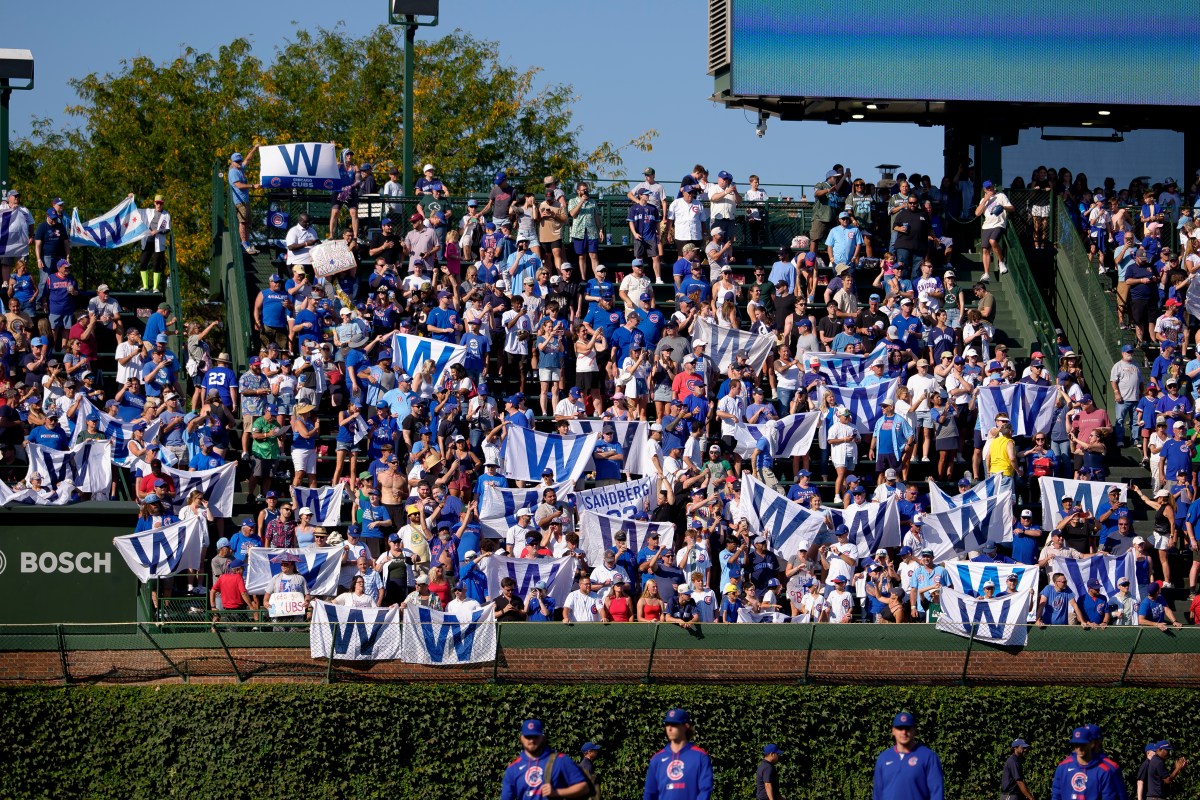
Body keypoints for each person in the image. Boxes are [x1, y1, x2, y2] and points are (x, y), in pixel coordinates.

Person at [499, 719, 591, 800]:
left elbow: (584, 787)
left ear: (542, 738)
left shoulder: (560, 760)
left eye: (535, 736)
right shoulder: (513, 768)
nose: (531, 740)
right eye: (528, 736)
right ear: (521, 738)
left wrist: (557, 792)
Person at [643, 708, 713, 800]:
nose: (669, 728)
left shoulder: (700, 756)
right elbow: (650, 793)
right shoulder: (657, 759)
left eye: (674, 724)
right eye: (667, 724)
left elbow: (705, 790)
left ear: (686, 726)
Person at [872, 711, 944, 800]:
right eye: (900, 728)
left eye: (907, 728)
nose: (904, 732)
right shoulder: (883, 758)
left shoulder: (928, 757)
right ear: (893, 731)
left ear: (914, 730)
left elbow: (936, 792)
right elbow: (877, 794)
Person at [1050, 726, 1127, 800]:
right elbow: (1056, 795)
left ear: (1092, 743)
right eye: (1076, 744)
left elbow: (1118, 795)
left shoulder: (1106, 769)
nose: (1079, 748)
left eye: (1083, 744)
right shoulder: (1063, 767)